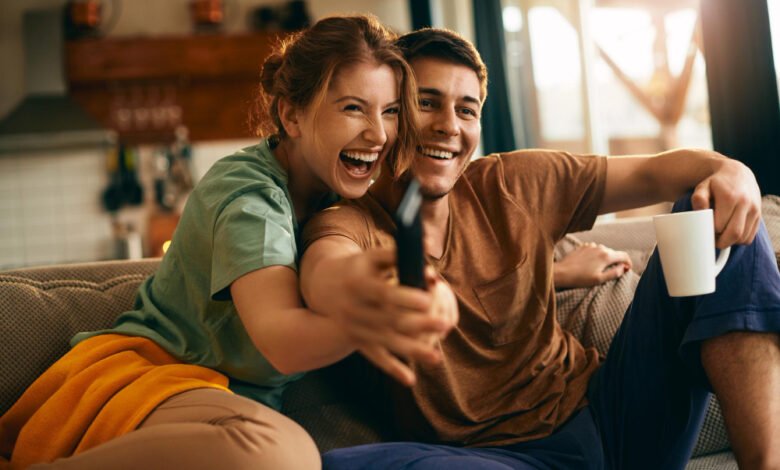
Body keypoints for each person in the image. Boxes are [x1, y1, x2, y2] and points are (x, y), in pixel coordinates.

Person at [300, 27, 780, 469]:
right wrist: (355, 290)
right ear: (391, 113)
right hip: (500, 461)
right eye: (427, 102)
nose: (449, 125)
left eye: (466, 110)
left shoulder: (515, 182)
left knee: (717, 213)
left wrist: (733, 170)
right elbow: (328, 268)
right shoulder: (351, 223)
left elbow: (657, 173)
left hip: (614, 414)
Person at [0, 15, 457, 470]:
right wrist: (365, 323)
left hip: (217, 401)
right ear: (290, 115)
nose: (378, 134)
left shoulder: (336, 194)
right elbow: (280, 338)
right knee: (284, 457)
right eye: (353, 108)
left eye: (391, 110)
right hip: (150, 380)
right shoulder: (249, 198)